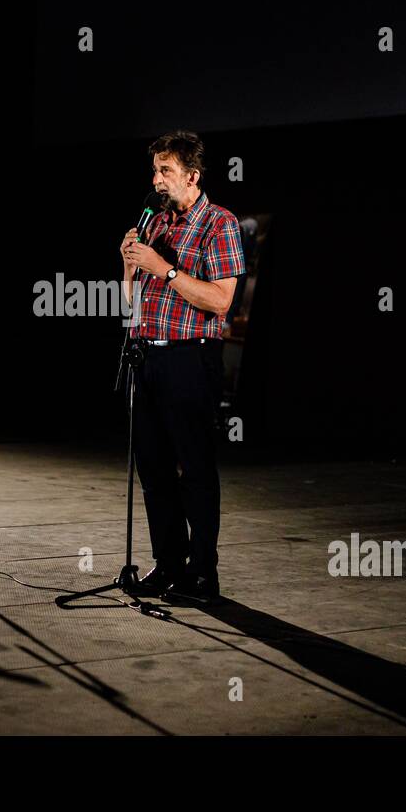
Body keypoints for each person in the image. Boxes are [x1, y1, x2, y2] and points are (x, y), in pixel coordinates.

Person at [119, 130, 245, 603]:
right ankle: (168, 562)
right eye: (154, 170)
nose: (157, 180)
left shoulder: (220, 224)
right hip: (146, 355)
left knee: (194, 469)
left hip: (189, 358)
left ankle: (203, 573)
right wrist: (131, 268)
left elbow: (220, 301)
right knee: (152, 469)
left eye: (166, 171)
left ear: (192, 176)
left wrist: (164, 269)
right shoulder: (155, 224)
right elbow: (130, 304)